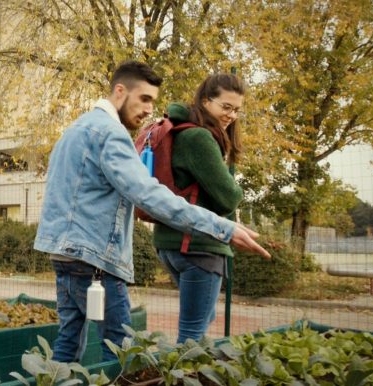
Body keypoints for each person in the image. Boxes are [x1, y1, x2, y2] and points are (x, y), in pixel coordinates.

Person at [33, 61, 270, 363]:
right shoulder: (111, 134)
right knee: (122, 355)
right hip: (96, 263)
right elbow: (151, 195)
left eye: (153, 101)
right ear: (120, 91)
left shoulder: (75, 129)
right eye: (144, 99)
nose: (148, 109)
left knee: (67, 344)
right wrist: (223, 227)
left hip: (62, 255)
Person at [153, 73, 249, 344]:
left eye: (237, 110)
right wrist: (233, 181)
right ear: (206, 101)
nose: (231, 115)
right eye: (226, 107)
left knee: (199, 324)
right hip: (198, 246)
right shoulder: (200, 138)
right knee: (192, 337)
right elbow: (229, 197)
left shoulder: (181, 129)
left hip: (173, 243)